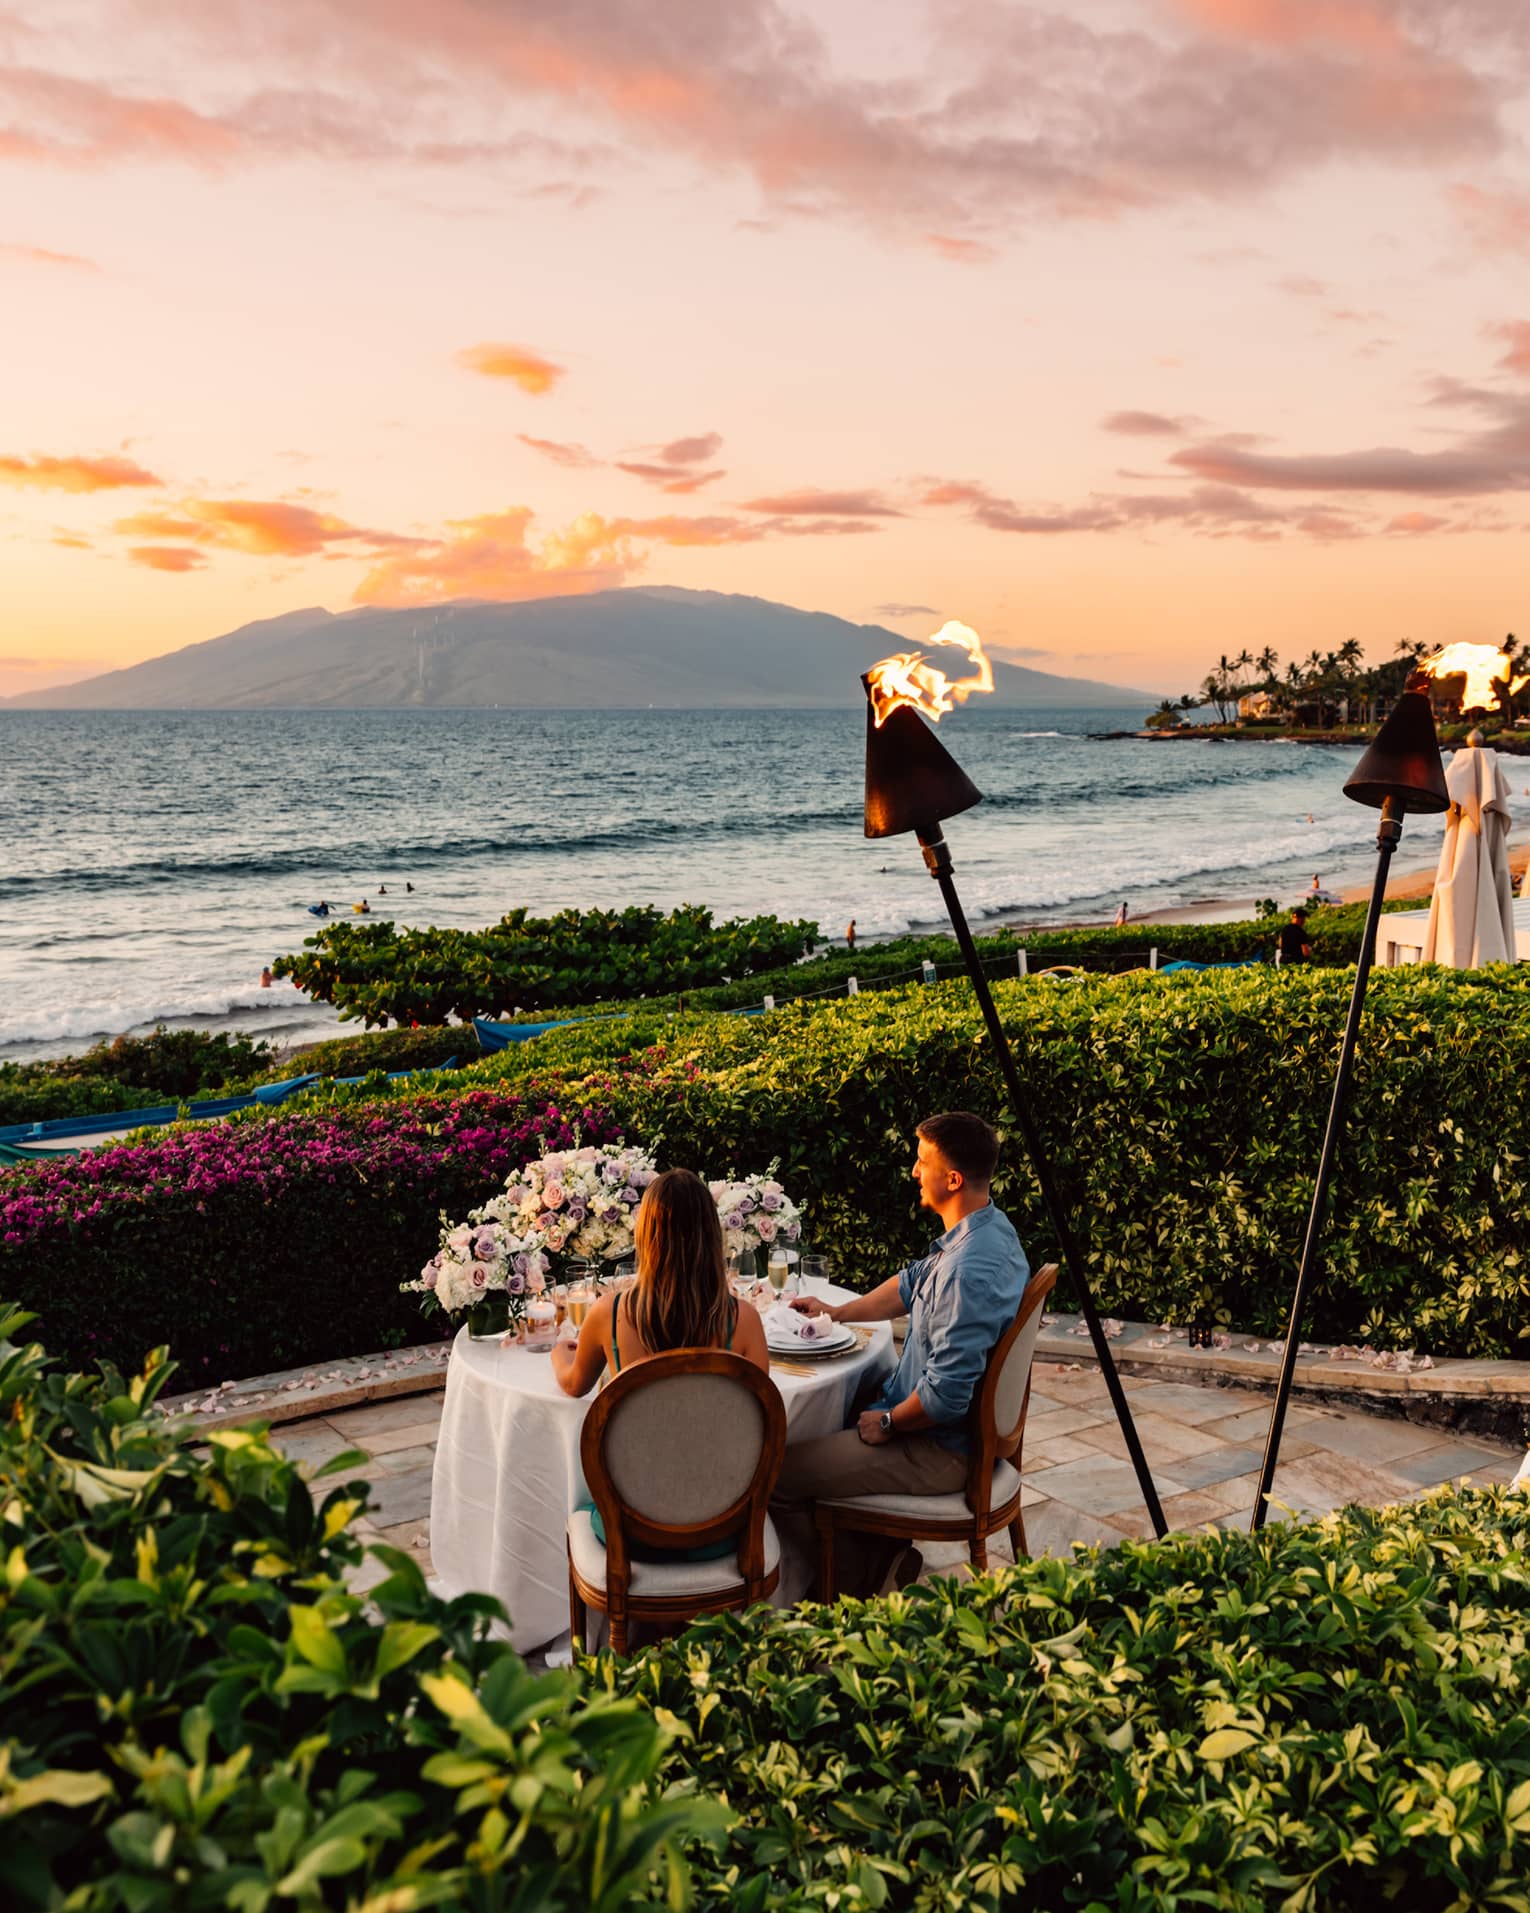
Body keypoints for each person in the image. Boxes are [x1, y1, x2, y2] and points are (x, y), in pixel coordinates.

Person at [775, 1111, 1029, 1596]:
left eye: (921, 1162)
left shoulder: (967, 1272)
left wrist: (888, 1422)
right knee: (840, 1414)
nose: (914, 1172)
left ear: (952, 1179)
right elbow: (911, 1282)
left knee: (776, 1473)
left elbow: (945, 1398)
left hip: (938, 1448)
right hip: (945, 1435)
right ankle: (879, 1555)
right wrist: (839, 1311)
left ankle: (846, 1591)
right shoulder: (987, 1232)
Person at [552, 1167, 768, 1399]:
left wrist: (559, 1356)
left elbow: (574, 1385)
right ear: (712, 1235)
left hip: (635, 1437)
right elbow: (762, 1411)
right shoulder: (744, 1320)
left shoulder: (609, 1314)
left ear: (645, 1235)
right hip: (715, 1436)